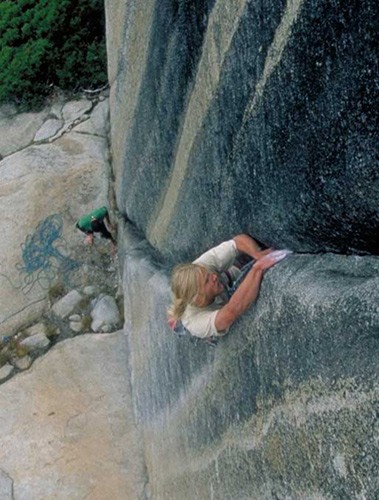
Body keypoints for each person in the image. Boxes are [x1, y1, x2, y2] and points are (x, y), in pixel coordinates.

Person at [168, 234, 291, 339]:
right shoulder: (194, 322)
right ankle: (179, 325)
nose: (213, 276)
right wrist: (257, 269)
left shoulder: (199, 268)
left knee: (227, 275)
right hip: (208, 314)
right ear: (198, 298)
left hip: (224, 283)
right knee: (213, 329)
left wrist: (257, 254)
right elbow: (231, 312)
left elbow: (237, 241)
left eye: (208, 274)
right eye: (207, 281)